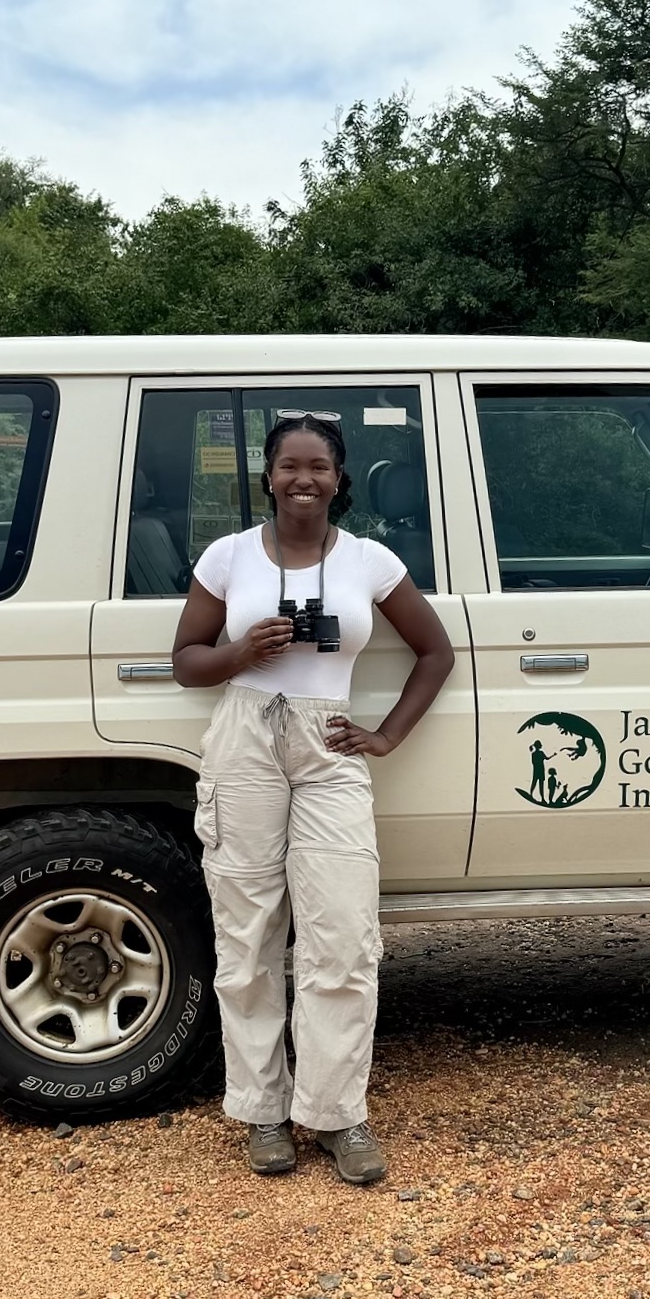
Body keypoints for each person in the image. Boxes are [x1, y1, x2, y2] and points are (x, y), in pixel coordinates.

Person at [172, 414, 454, 1184]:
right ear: (267, 475)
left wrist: (388, 735)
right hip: (245, 737)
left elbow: (436, 651)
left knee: (342, 934)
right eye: (289, 465)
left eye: (318, 467)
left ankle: (335, 1114)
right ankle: (262, 1111)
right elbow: (185, 661)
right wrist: (239, 652)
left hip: (328, 742)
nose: (303, 478)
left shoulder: (369, 560)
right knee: (249, 931)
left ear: (338, 478)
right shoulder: (228, 556)